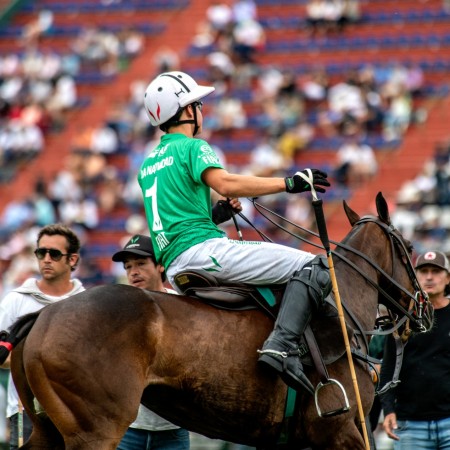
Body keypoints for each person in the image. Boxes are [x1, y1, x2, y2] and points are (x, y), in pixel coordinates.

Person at [139, 70, 332, 394]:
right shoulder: (192, 147)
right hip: (204, 253)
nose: (201, 110)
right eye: (197, 104)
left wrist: (217, 214)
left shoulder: (148, 164)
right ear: (187, 110)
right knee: (316, 266)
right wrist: (289, 183)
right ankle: (282, 346)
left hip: (174, 267)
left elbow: (176, 220)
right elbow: (225, 183)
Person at [0, 224, 85, 450]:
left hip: (75, 411)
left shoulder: (87, 303)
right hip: (25, 411)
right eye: (41, 252)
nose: (46, 259)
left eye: (55, 254)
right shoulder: (15, 300)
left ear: (73, 260)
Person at [112, 234, 190, 450]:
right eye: (128, 267)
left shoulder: (183, 306)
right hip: (127, 428)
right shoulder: (117, 311)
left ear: (161, 266)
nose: (133, 272)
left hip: (173, 429)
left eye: (140, 263)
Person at [380, 250, 450, 449]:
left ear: (448, 278)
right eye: (423, 271)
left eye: (436, 271)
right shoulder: (402, 319)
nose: (429, 276)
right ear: (415, 278)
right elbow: (388, 368)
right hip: (410, 425)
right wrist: (388, 410)